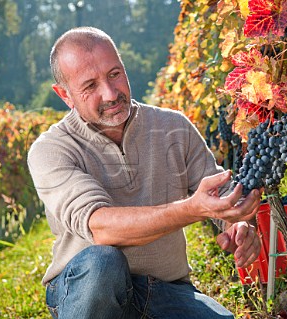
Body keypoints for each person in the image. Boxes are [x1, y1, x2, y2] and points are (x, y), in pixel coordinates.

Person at [27, 26, 262, 319]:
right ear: (65, 95)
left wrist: (237, 224)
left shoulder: (173, 126)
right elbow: (101, 228)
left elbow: (220, 195)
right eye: (90, 86)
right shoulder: (51, 150)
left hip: (165, 289)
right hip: (89, 291)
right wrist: (192, 209)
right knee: (103, 262)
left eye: (114, 74)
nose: (111, 93)